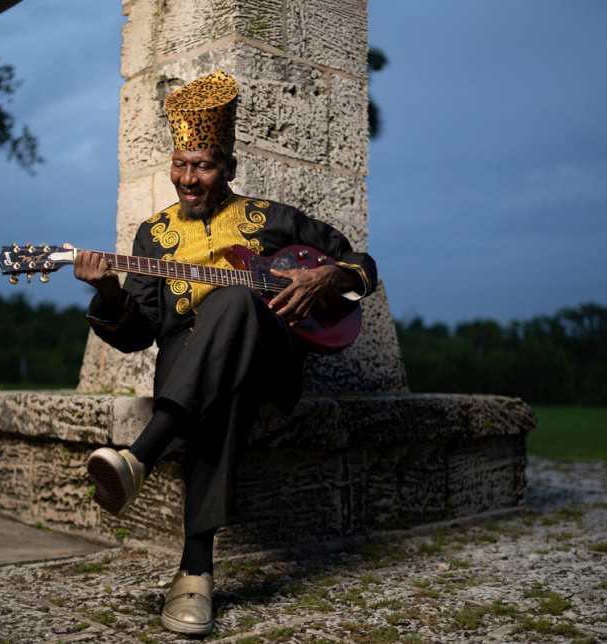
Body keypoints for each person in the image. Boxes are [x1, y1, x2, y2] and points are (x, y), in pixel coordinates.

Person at [69, 70, 377, 636]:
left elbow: (362, 266)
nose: (188, 178)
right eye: (181, 164)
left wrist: (326, 276)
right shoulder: (152, 238)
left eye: (203, 165)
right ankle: (194, 574)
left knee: (236, 299)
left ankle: (141, 456)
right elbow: (142, 333)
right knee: (220, 385)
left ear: (229, 169)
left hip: (271, 359)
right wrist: (110, 292)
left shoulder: (274, 220)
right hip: (199, 369)